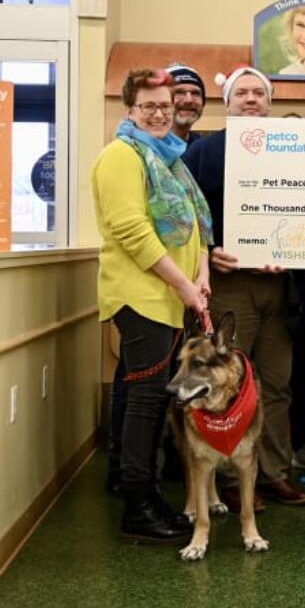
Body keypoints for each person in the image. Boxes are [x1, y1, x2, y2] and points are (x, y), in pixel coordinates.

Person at [181, 66, 305, 511]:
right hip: (228, 286)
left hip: (278, 288)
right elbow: (184, 215)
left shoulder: (296, 152)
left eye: (259, 93)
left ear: (270, 102)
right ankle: (229, 481)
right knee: (224, 385)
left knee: (276, 384)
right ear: (227, 102)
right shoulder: (203, 152)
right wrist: (208, 250)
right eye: (243, 93)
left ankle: (273, 473)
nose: (251, 99)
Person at [93, 67, 212, 543]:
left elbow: (197, 223)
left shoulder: (169, 159)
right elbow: (132, 232)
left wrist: (200, 275)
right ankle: (137, 508)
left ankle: (148, 495)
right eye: (149, 106)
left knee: (154, 401)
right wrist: (185, 284)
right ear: (130, 111)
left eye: (165, 104)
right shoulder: (121, 156)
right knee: (144, 403)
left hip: (171, 296)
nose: (160, 112)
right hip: (140, 298)